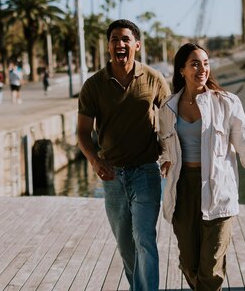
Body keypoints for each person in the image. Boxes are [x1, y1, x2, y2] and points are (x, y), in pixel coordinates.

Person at [158, 43, 245, 291]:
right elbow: (163, 144)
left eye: (205, 63)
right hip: (182, 189)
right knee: (189, 263)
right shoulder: (168, 107)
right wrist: (164, 160)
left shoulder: (227, 103)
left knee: (211, 269)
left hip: (218, 189)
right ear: (181, 70)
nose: (202, 69)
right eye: (194, 64)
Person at [77, 19, 170, 291]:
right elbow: (83, 133)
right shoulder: (93, 86)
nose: (120, 44)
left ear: (137, 45)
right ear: (108, 46)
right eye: (114, 39)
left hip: (145, 171)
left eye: (126, 39)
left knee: (144, 239)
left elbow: (171, 123)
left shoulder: (154, 79)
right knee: (126, 245)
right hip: (112, 176)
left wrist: (169, 157)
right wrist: (95, 160)